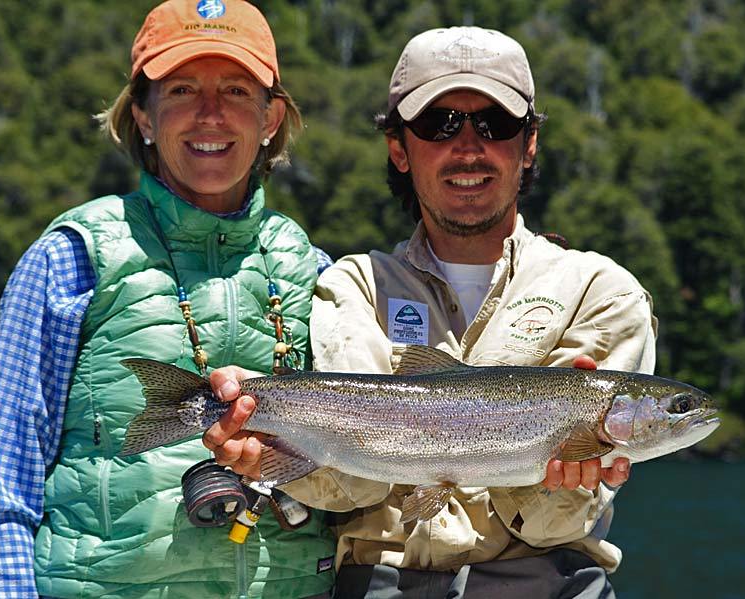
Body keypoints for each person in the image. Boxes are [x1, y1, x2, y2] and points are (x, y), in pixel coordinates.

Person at [205, 26, 657, 598]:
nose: (468, 147)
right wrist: (267, 455)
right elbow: (355, 488)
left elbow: (555, 524)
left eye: (495, 125)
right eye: (438, 125)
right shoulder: (355, 285)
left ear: (530, 142)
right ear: (399, 147)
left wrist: (565, 471)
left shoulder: (603, 290)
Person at [0, 1, 336, 598]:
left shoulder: (316, 271)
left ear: (272, 119)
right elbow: (4, 481)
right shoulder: (72, 257)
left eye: (237, 90)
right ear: (142, 116)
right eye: (183, 89)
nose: (210, 115)